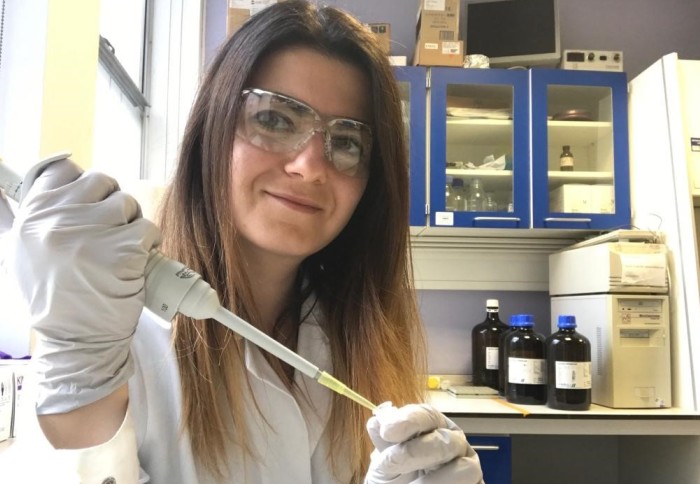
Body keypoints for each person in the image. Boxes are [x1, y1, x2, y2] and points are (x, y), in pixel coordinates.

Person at [3, 1, 483, 482]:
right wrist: (81, 378)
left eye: (347, 142)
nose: (310, 167)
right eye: (274, 119)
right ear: (211, 130)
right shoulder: (118, 339)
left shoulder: (359, 336)